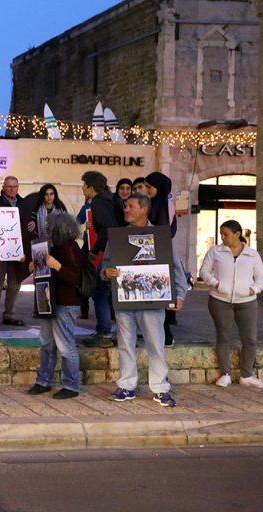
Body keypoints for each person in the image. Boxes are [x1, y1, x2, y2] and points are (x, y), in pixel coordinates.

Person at [103, 194, 187, 407]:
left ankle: (160, 388)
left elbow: (176, 267)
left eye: (130, 206)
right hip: (126, 299)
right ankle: (126, 386)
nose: (126, 210)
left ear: (144, 209)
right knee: (125, 344)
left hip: (152, 301)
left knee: (155, 344)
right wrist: (107, 272)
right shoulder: (118, 238)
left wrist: (180, 294)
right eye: (125, 206)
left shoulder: (160, 236)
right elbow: (104, 266)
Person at [199, 220, 263, 388]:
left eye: (226, 234)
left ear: (237, 235)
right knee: (224, 337)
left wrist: (253, 290)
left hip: (247, 302)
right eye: (221, 234)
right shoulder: (215, 251)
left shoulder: (252, 254)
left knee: (250, 339)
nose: (222, 237)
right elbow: (204, 271)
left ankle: (247, 376)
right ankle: (225, 374)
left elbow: (262, 277)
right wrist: (216, 284)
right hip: (220, 301)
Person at [27, 212, 83, 399]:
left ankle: (71, 385)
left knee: (65, 345)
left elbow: (74, 277)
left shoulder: (70, 248)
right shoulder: (55, 248)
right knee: (47, 343)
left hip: (66, 303)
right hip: (50, 302)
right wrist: (36, 266)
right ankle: (43, 381)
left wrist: (56, 266)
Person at [81, 171, 124, 348]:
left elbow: (107, 230)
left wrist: (95, 249)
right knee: (113, 294)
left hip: (109, 254)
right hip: (120, 250)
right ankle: (117, 332)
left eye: (84, 185)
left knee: (100, 292)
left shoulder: (99, 202)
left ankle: (104, 333)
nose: (83, 189)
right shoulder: (112, 199)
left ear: (91, 187)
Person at [145, 171, 178, 346]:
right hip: (153, 254)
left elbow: (163, 230)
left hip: (160, 254)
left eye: (150, 187)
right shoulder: (155, 203)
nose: (147, 190)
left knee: (160, 295)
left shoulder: (165, 204)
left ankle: (166, 335)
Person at [0, 176, 27, 326]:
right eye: (9, 187)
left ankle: (9, 315)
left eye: (15, 187)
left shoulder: (24, 204)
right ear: (4, 188)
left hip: (17, 251)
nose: (12, 189)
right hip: (0, 250)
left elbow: (27, 225)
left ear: (18, 187)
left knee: (14, 284)